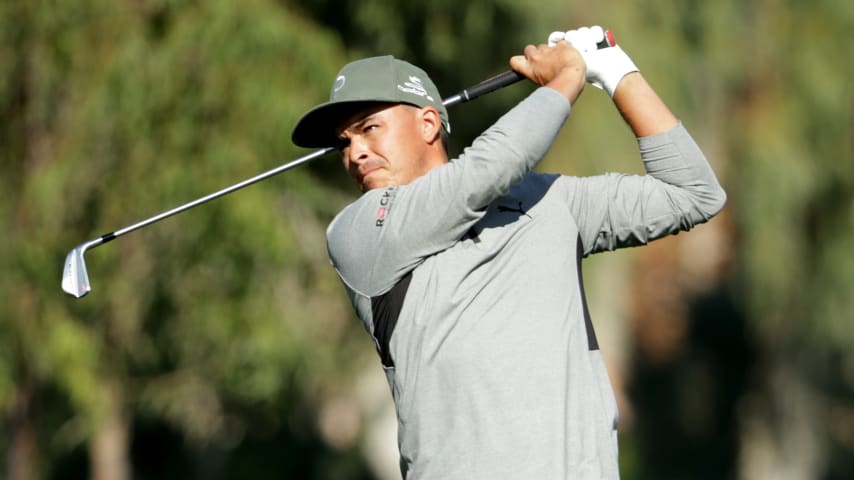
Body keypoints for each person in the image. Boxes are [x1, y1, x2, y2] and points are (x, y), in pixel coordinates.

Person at [291, 26, 726, 479]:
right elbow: (483, 173)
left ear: (428, 122)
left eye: (369, 129)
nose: (355, 153)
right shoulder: (359, 233)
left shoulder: (550, 201)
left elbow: (693, 193)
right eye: (343, 143)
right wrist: (566, 79)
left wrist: (615, 71)